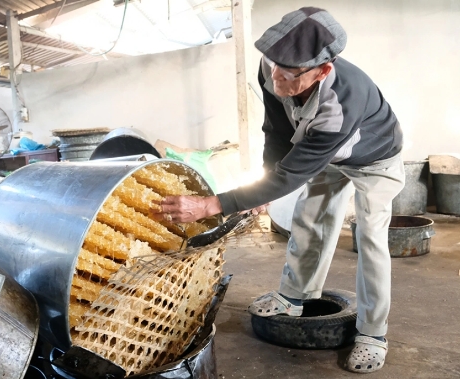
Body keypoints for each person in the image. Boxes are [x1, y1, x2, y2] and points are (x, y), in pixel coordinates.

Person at [151, 7, 405, 374]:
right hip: (326, 156)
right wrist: (266, 179)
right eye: (273, 67)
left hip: (374, 160)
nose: (276, 78)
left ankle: (372, 334)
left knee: (369, 235)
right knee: (310, 219)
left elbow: (293, 176)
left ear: (323, 71)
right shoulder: (273, 67)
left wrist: (210, 205)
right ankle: (295, 297)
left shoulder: (341, 104)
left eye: (289, 74)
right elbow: (277, 130)